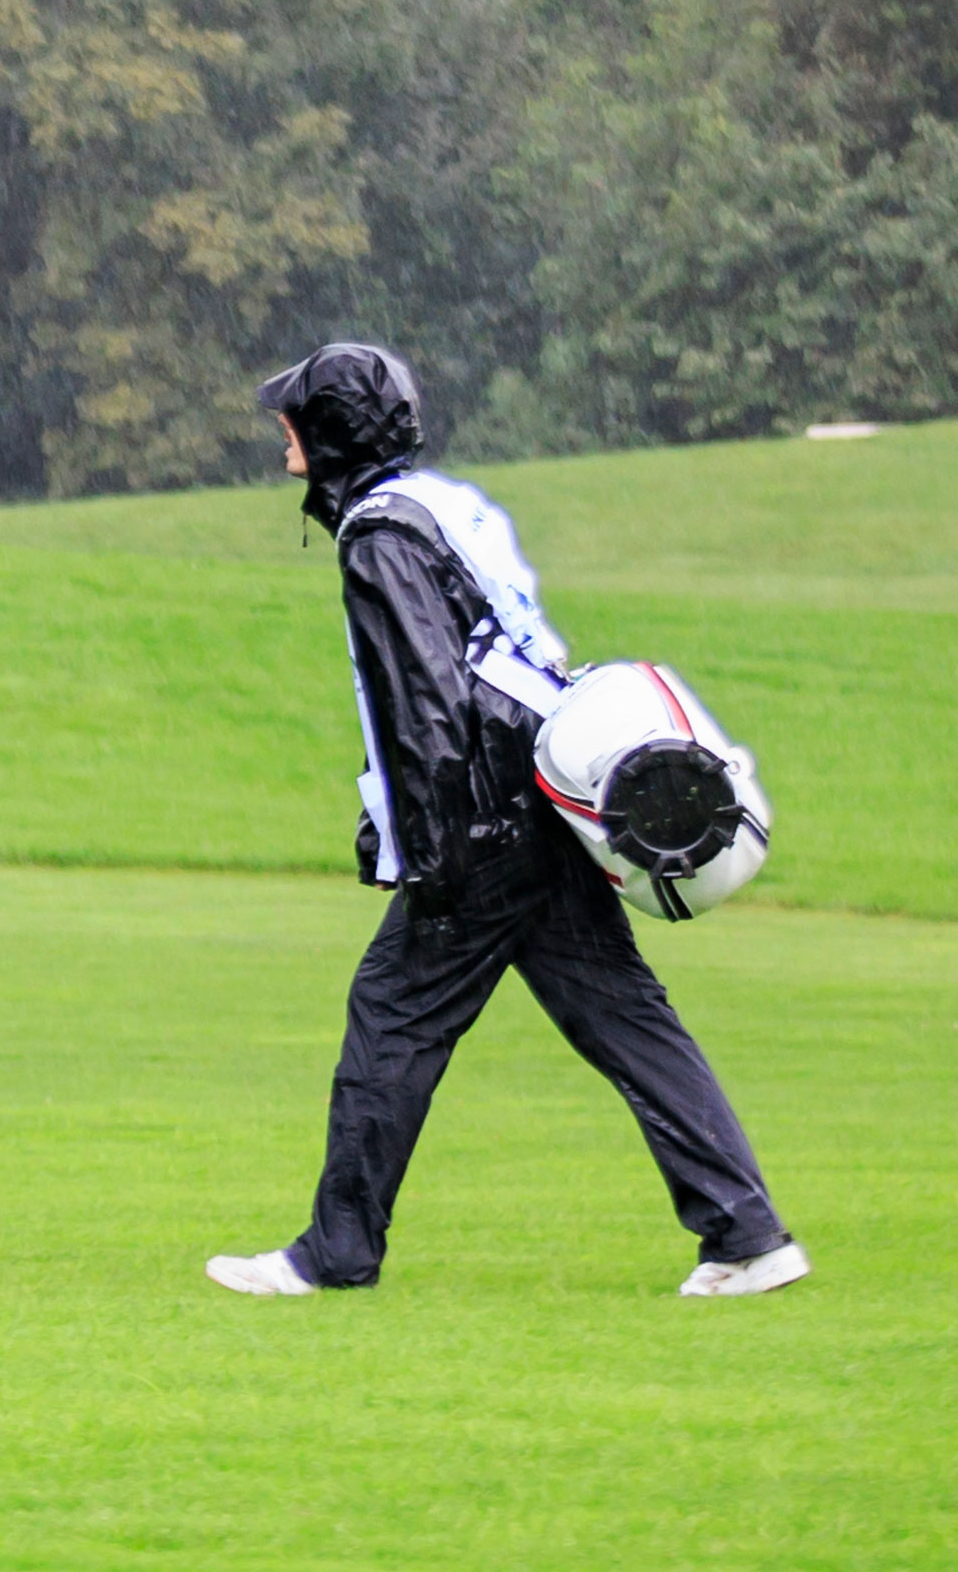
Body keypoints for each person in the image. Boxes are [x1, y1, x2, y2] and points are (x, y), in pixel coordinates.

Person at [206, 343, 807, 1298]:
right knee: (625, 1017)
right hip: (541, 788)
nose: (281, 431)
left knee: (393, 1014)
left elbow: (428, 701)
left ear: (332, 433)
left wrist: (435, 849)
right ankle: (747, 1234)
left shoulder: (378, 536)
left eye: (295, 418)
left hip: (484, 812)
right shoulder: (439, 503)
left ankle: (336, 1254)